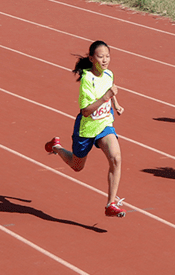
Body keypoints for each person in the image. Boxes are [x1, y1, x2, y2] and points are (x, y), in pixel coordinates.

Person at [45, 40, 126, 217]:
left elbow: (110, 90)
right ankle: (56, 147)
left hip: (104, 125)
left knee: (116, 158)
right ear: (91, 58)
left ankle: (110, 204)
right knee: (77, 166)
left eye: (107, 56)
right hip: (86, 129)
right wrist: (106, 97)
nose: (105, 60)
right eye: (100, 56)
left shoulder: (109, 74)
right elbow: (86, 111)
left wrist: (116, 104)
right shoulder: (87, 80)